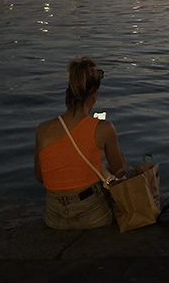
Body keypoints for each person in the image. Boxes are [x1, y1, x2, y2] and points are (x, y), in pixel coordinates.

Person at [33, 57, 127, 229]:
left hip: (54, 217)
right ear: (94, 95)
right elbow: (120, 172)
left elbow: (40, 177)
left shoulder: (42, 130)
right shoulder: (104, 128)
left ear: (68, 92)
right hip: (92, 215)